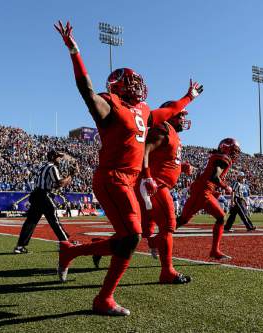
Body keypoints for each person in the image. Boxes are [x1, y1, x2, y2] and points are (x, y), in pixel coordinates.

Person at [54, 20, 203, 316]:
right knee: (133, 236)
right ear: (117, 85)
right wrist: (75, 52)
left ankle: (72, 252)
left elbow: (168, 111)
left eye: (137, 81)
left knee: (127, 239)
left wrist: (190, 97)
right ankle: (103, 299)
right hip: (111, 177)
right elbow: (86, 90)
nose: (137, 85)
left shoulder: (144, 111)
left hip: (129, 180)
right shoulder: (110, 104)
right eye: (130, 81)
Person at [137, 103, 194, 284]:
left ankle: (81, 250)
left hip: (157, 185)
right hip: (155, 186)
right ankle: (167, 272)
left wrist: (181, 166)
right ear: (169, 115)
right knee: (169, 225)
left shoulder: (172, 133)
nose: (183, 120)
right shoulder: (163, 128)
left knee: (135, 233)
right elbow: (145, 151)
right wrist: (147, 177)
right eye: (180, 116)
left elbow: (165, 158)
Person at [176, 138, 240, 260]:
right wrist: (226, 187)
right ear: (226, 148)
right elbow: (214, 177)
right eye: (233, 150)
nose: (235, 154)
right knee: (183, 220)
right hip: (202, 192)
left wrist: (213, 190)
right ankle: (157, 240)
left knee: (219, 217)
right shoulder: (223, 159)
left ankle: (215, 250)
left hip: (204, 191)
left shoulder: (217, 157)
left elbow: (207, 176)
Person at [13, 150, 72, 254]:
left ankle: (20, 246)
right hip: (44, 195)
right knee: (54, 219)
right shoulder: (52, 167)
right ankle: (65, 242)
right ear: (53, 157)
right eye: (58, 157)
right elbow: (59, 184)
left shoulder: (42, 167)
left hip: (36, 195)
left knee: (31, 222)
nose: (60, 159)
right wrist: (70, 176)